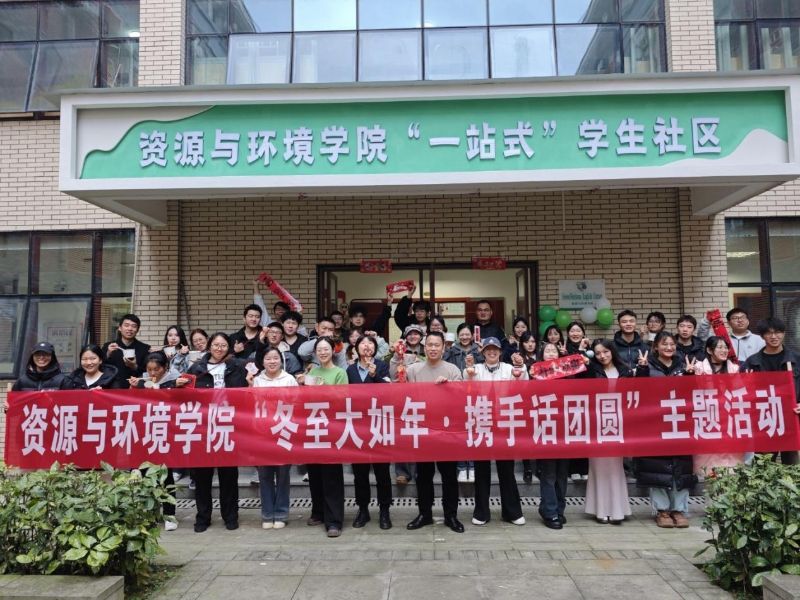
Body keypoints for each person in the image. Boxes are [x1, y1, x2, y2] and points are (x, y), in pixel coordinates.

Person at [187, 332, 248, 533]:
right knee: (202, 475)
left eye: (223, 345)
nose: (219, 348)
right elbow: (186, 395)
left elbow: (246, 391)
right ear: (209, 346)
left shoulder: (238, 366)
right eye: (215, 345)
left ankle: (230, 516)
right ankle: (202, 517)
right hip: (203, 426)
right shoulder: (197, 368)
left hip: (228, 425)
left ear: (229, 347)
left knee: (228, 475)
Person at [405, 332, 465, 533]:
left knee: (449, 476)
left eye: (436, 345)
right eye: (429, 344)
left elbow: (461, 397)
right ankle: (425, 514)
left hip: (446, 430)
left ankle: (451, 515)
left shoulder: (452, 370)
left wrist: (449, 387)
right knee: (423, 475)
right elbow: (402, 393)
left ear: (443, 347)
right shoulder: (413, 370)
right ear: (424, 347)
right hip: (422, 429)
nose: (432, 348)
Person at [637, 331, 697, 528]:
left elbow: (693, 394)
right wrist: (642, 371)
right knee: (657, 468)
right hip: (655, 425)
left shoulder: (683, 366)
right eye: (664, 344)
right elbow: (639, 392)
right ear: (656, 347)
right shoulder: (647, 366)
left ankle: (679, 509)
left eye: (672, 344)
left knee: (682, 467)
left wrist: (690, 376)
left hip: (680, 423)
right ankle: (662, 510)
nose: (669, 347)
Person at [463, 337, 526, 527]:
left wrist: (521, 366)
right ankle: (481, 512)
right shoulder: (476, 369)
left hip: (504, 423)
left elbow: (522, 383)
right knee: (482, 469)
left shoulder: (508, 368)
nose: (492, 352)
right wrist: (468, 369)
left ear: (500, 351)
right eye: (488, 349)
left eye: (495, 349)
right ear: (483, 352)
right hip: (482, 422)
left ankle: (512, 512)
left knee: (506, 469)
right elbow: (466, 387)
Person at [584, 340, 648, 524]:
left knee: (615, 467)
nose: (602, 356)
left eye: (605, 351)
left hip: (618, 424)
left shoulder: (625, 370)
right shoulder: (591, 370)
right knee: (597, 466)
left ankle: (617, 510)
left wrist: (643, 369)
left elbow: (641, 390)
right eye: (598, 353)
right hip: (596, 423)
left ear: (612, 351)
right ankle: (600, 510)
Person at [129, 351, 189, 531]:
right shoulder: (143, 381)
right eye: (149, 369)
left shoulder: (177, 380)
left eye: (157, 369)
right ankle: (151, 513)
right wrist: (135, 387)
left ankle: (169, 514)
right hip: (147, 431)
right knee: (147, 473)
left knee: (166, 475)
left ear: (165, 367)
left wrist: (172, 386)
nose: (153, 373)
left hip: (168, 431)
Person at [297, 337, 348, 538]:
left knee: (331, 476)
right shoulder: (311, 372)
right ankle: (318, 512)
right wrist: (302, 385)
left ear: (333, 351)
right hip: (313, 427)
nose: (323, 352)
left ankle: (334, 520)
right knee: (315, 474)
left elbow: (343, 400)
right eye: (319, 350)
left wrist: (323, 387)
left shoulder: (340, 373)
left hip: (332, 429)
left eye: (326, 349)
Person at [247, 346, 298, 530]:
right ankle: (267, 514)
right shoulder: (257, 380)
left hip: (284, 432)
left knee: (283, 475)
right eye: (268, 358)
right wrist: (249, 386)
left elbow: (297, 404)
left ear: (281, 360)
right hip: (262, 434)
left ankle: (281, 514)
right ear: (262, 361)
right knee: (265, 475)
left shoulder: (289, 379)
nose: (272, 361)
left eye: (275, 358)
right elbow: (249, 406)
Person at [346, 335, 393, 530]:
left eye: (370, 343)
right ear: (356, 348)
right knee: (360, 472)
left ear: (375, 348)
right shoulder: (350, 369)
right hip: (357, 425)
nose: (366, 346)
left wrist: (375, 376)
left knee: (382, 472)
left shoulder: (381, 366)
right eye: (363, 343)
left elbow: (389, 392)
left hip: (378, 424)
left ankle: (384, 510)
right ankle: (363, 509)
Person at [744, 317, 800, 465]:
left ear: (784, 333)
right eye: (769, 333)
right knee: (763, 465)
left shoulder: (797, 359)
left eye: (778, 332)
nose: (774, 336)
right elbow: (739, 390)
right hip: (764, 418)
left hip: (790, 417)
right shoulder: (752, 362)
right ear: (762, 336)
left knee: (792, 465)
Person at [693, 337, 744, 475]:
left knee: (731, 463)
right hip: (708, 418)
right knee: (709, 463)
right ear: (710, 350)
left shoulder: (734, 369)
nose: (724, 350)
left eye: (726, 347)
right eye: (720, 347)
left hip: (729, 419)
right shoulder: (698, 368)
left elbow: (739, 392)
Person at [444, 322, 482, 482]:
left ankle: (472, 466)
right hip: (455, 395)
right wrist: (446, 349)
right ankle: (461, 467)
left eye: (467, 334)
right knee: (459, 432)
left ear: (472, 335)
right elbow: (444, 364)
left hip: (475, 395)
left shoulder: (479, 350)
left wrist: (479, 354)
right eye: (462, 334)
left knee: (473, 431)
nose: (465, 337)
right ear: (458, 335)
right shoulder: (451, 350)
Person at [564, 321, 591, 482]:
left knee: (584, 433)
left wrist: (584, 351)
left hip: (586, 397)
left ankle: (584, 468)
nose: (575, 333)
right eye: (572, 331)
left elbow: (591, 371)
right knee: (572, 432)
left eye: (578, 331)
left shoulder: (590, 349)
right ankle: (573, 469)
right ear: (568, 334)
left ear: (583, 333)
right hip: (568, 397)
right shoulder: (564, 350)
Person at [698, 307, 765, 362]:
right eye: (735, 318)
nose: (740, 320)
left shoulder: (760, 340)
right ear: (729, 323)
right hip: (727, 372)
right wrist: (707, 319)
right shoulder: (722, 339)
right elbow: (703, 336)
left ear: (748, 321)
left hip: (752, 372)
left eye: (743, 317)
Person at [101, 313, 150, 388]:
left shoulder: (145, 349)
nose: (130, 329)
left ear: (137, 330)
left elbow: (148, 373)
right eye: (126, 325)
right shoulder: (108, 346)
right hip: (112, 389)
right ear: (120, 328)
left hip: (136, 389)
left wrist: (134, 366)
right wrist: (108, 354)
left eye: (134, 326)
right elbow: (100, 368)